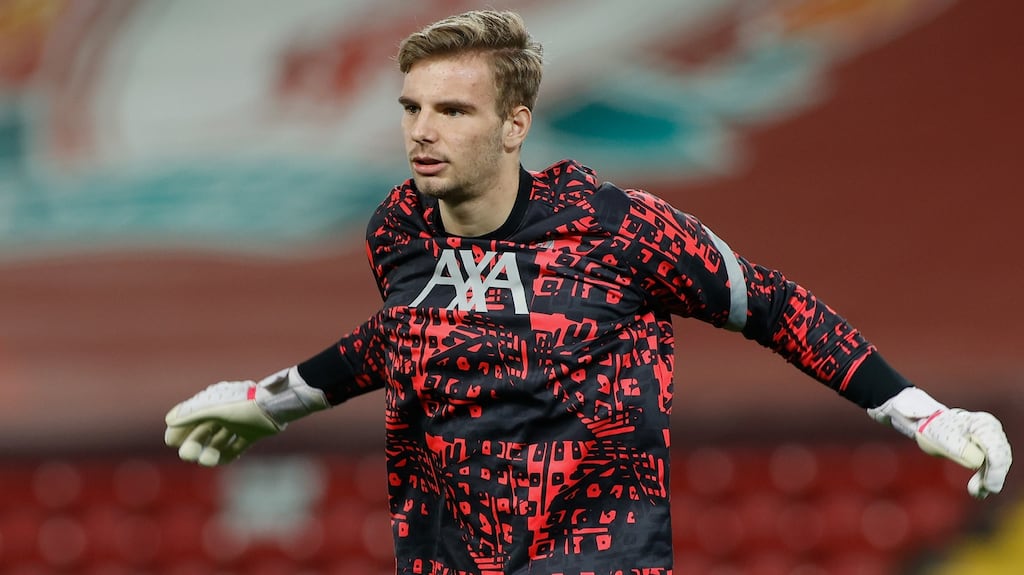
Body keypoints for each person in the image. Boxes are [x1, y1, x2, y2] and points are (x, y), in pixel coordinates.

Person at [164, 9, 1012, 575]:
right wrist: (272, 399)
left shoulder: (619, 229)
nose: (422, 130)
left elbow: (772, 304)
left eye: (453, 110)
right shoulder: (397, 230)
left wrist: (922, 414)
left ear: (515, 124)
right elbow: (402, 336)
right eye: (411, 106)